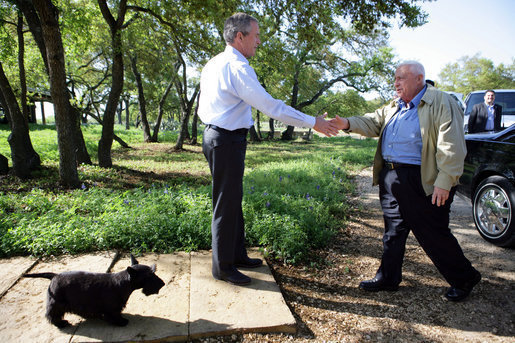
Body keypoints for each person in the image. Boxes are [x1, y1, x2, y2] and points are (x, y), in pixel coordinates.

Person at [198, 12, 339, 286]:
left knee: (231, 199)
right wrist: (314, 122)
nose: (259, 42)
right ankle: (223, 267)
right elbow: (271, 106)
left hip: (217, 137)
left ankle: (236, 255)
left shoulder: (214, 63)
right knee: (226, 204)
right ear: (240, 37)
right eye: (256, 36)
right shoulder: (237, 67)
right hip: (225, 140)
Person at [332, 61, 481, 302]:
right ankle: (388, 277)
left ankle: (464, 277)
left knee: (432, 233)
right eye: (395, 78)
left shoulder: (441, 101)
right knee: (393, 232)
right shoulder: (395, 106)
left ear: (419, 78)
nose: (396, 82)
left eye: (401, 77)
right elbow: (372, 122)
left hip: (423, 179)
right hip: (390, 177)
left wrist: (444, 181)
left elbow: (451, 146)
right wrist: (347, 123)